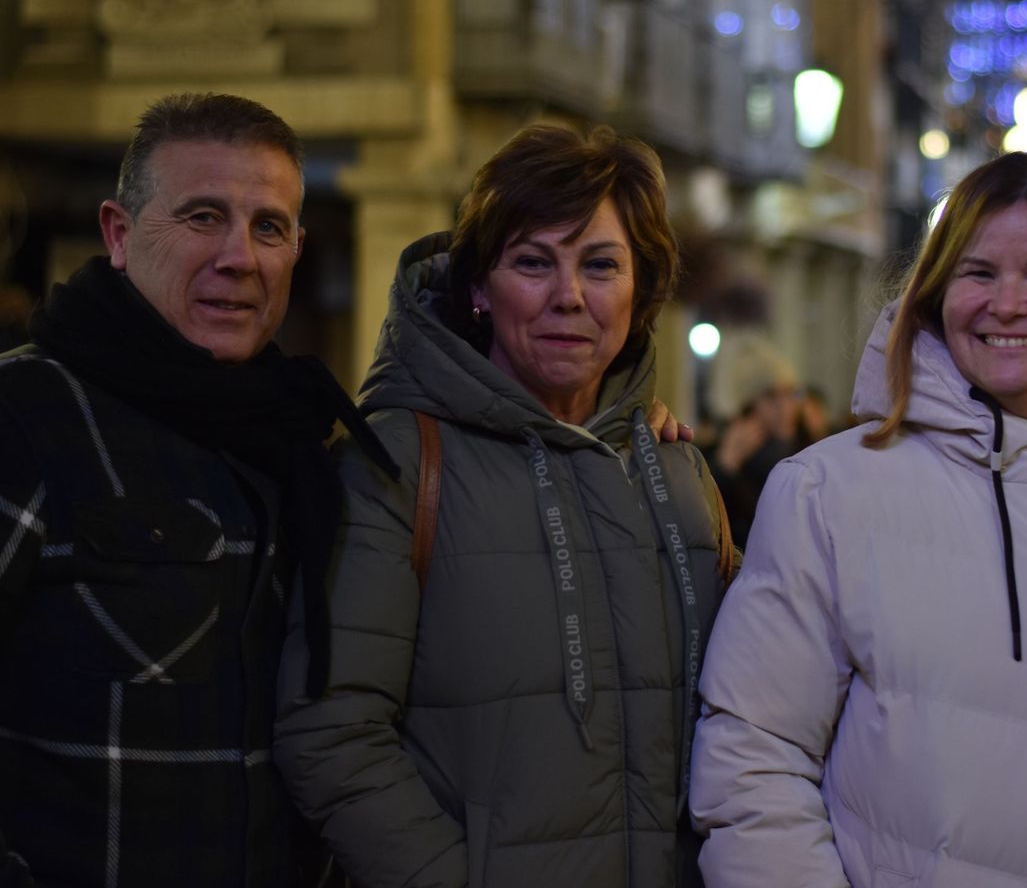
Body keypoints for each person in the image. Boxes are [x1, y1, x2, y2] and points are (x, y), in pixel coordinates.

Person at [690, 152, 1027, 887]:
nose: (1007, 304)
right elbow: (752, 758)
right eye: (978, 274)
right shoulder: (829, 491)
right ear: (936, 298)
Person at [274, 123, 737, 887]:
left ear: (640, 291)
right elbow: (331, 730)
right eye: (532, 263)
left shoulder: (679, 476)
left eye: (601, 265)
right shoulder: (395, 462)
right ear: (480, 288)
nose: (570, 297)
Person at [0, 92, 397, 887]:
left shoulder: (300, 441)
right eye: (203, 217)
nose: (240, 257)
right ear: (119, 233)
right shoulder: (27, 416)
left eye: (268, 227)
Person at [706, 335, 803, 550]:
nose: (785, 408)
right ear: (746, 406)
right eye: (771, 397)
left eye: (790, 394)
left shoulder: (804, 448)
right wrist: (725, 467)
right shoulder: (719, 458)